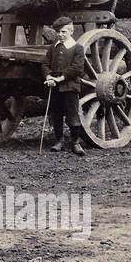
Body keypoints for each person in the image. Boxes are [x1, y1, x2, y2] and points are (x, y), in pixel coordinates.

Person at [44, 15, 88, 156]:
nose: (60, 35)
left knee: (72, 115)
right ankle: (59, 141)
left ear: (71, 31)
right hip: (55, 87)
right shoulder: (53, 48)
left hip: (70, 86)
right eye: (58, 32)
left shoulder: (78, 48)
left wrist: (61, 78)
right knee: (56, 114)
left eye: (64, 32)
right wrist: (48, 76)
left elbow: (77, 68)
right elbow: (45, 64)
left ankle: (75, 143)